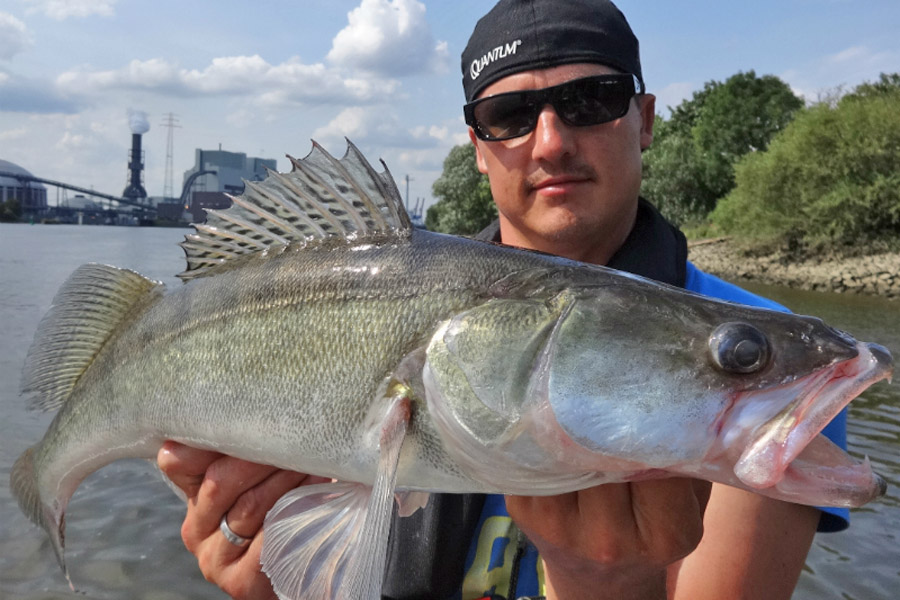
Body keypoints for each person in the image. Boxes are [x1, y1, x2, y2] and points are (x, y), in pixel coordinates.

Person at [158, 1, 849, 598]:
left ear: (643, 120)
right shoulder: (392, 295)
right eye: (509, 115)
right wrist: (277, 588)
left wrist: (606, 589)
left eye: (591, 100)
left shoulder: (771, 375)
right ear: (478, 148)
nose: (550, 142)